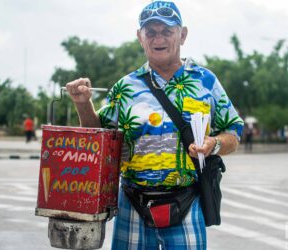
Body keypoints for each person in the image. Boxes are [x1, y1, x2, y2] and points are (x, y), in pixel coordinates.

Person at [66, 1, 244, 249]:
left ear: (182, 35)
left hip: (187, 201)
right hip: (132, 204)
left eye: (167, 31)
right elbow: (98, 138)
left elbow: (234, 132)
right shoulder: (125, 87)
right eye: (150, 32)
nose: (158, 38)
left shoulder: (205, 81)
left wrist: (213, 144)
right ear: (140, 37)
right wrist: (83, 104)